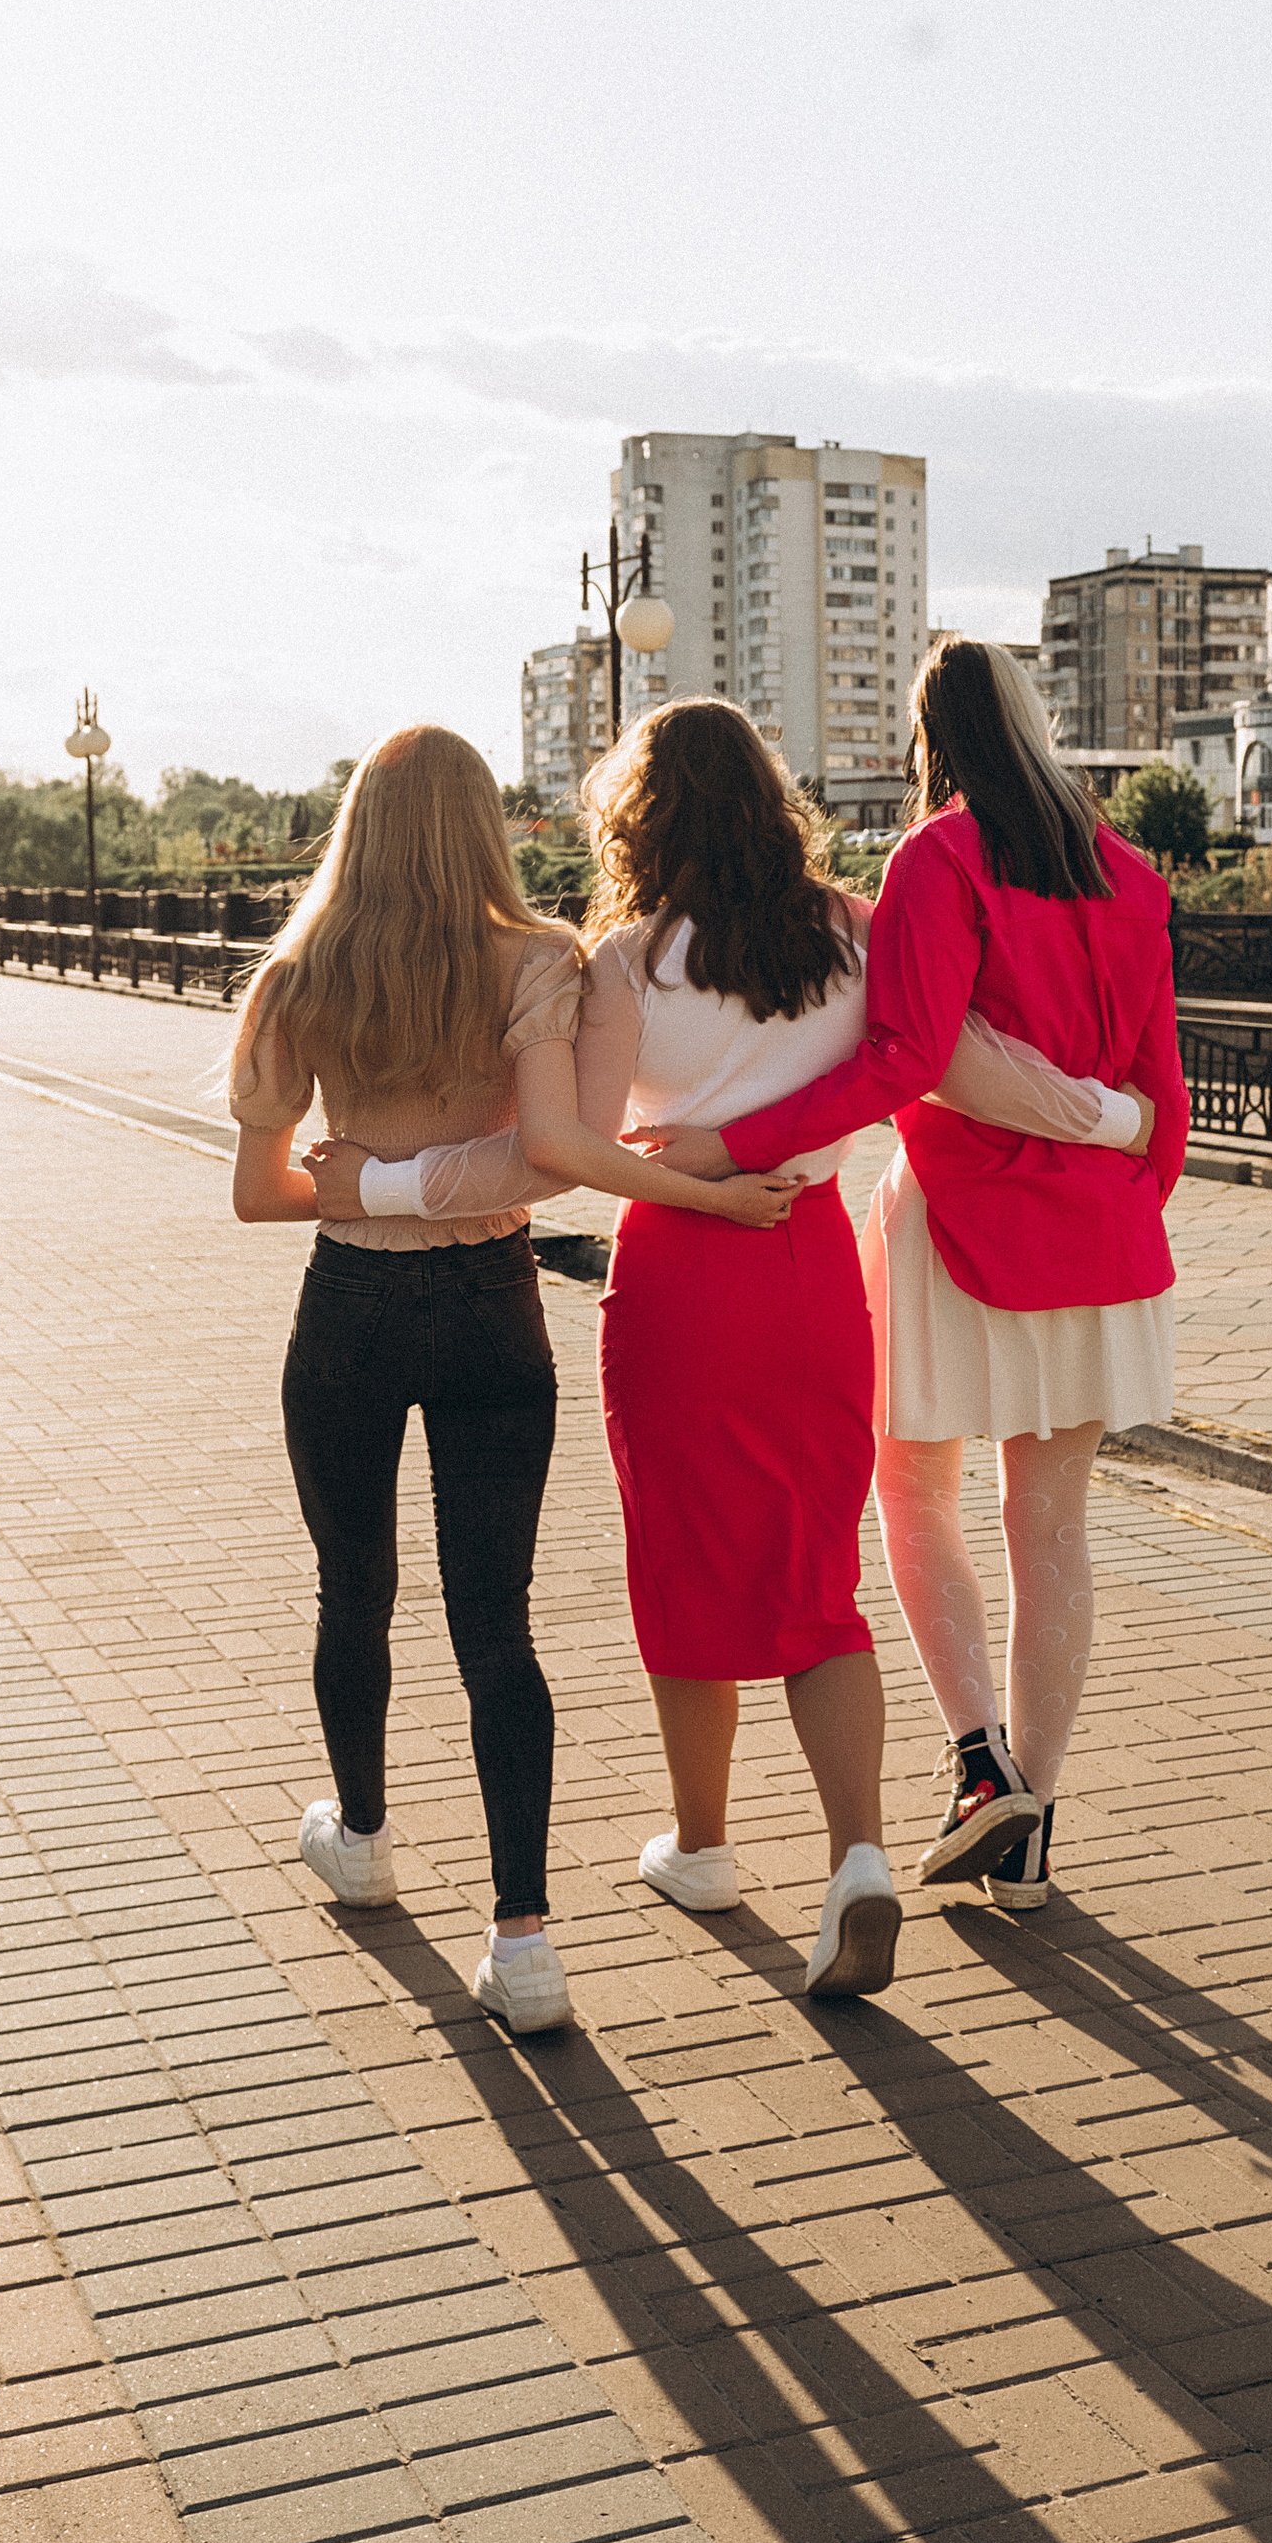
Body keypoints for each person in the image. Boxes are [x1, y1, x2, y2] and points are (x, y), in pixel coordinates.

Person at [319, 696, 1144, 1998]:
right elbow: (950, 1064)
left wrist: (659, 1164)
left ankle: (703, 1847)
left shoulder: (628, 959)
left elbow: (577, 1148)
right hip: (816, 1259)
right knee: (819, 1574)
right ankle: (859, 1856)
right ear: (771, 796)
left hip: (684, 1269)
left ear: (638, 815)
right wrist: (1116, 1113)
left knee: (688, 1563)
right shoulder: (855, 932)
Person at [226, 722, 790, 2047]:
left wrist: (361, 1176)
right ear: (483, 824)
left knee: (352, 1589)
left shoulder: (298, 972)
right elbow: (550, 1159)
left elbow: (260, 1192)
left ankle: (362, 1835)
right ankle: (523, 1938)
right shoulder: (538, 962)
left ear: (355, 826)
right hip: (493, 1308)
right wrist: (446, 1181)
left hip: (352, 1309)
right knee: (498, 1620)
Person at [669, 640, 1186, 1917]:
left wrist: (731, 1143)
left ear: (928, 733)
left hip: (958, 1222)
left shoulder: (938, 860)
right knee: (1052, 1525)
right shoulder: (1130, 875)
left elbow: (902, 1059)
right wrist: (1115, 1175)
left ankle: (976, 1763)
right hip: (1108, 1240)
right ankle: (1029, 1833)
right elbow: (1164, 1106)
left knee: (910, 1490)